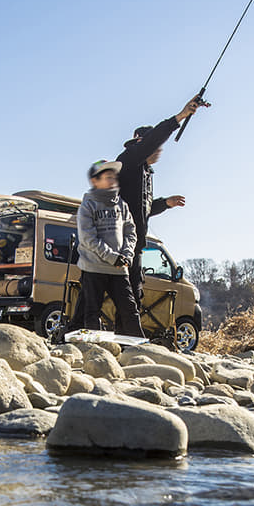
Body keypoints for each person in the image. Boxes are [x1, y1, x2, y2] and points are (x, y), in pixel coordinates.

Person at [115, 94, 207, 311]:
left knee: (132, 294)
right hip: (118, 243)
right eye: (153, 146)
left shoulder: (146, 173)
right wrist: (181, 116)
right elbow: (154, 138)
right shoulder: (129, 160)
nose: (159, 150)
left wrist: (165, 203)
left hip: (133, 245)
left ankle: (124, 339)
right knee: (119, 294)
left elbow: (142, 210)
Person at [75, 160, 143, 336]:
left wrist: (127, 254)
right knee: (92, 311)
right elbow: (88, 238)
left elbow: (131, 231)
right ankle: (95, 351)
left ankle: (140, 348)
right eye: (107, 177)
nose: (112, 181)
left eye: (114, 177)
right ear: (95, 182)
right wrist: (113, 257)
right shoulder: (87, 205)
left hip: (119, 268)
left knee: (129, 309)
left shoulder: (122, 205)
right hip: (94, 266)